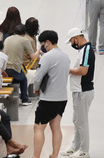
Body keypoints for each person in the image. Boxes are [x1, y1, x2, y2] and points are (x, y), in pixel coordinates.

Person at [32, 30, 70, 158]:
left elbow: (38, 77)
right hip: (62, 98)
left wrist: (36, 89)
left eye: (43, 43)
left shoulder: (47, 57)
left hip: (49, 98)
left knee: (38, 128)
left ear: (47, 42)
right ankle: (54, 155)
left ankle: (36, 156)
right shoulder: (65, 56)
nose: (43, 46)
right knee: (56, 127)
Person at [62, 28, 96, 158]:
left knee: (82, 122)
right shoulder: (83, 50)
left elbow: (83, 71)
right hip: (78, 90)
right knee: (77, 120)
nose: (72, 44)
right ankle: (74, 147)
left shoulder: (87, 50)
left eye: (72, 41)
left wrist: (68, 69)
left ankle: (84, 150)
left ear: (76, 38)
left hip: (83, 91)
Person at [3, 24, 37, 106]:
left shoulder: (7, 39)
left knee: (17, 78)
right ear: (24, 33)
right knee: (23, 79)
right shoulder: (24, 40)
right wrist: (39, 50)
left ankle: (9, 96)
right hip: (14, 69)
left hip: (4, 68)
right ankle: (24, 99)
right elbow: (33, 57)